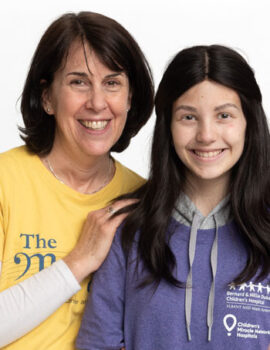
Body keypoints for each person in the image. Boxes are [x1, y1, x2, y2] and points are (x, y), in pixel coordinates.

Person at [77, 45, 270, 349]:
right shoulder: (127, 229)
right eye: (188, 117)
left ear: (250, 123)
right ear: (168, 125)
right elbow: (97, 344)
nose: (206, 135)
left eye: (224, 115)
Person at [0, 11, 154, 349]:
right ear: (47, 97)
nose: (97, 103)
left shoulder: (144, 200)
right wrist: (79, 262)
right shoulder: (5, 182)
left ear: (130, 98)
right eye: (78, 82)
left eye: (112, 83)